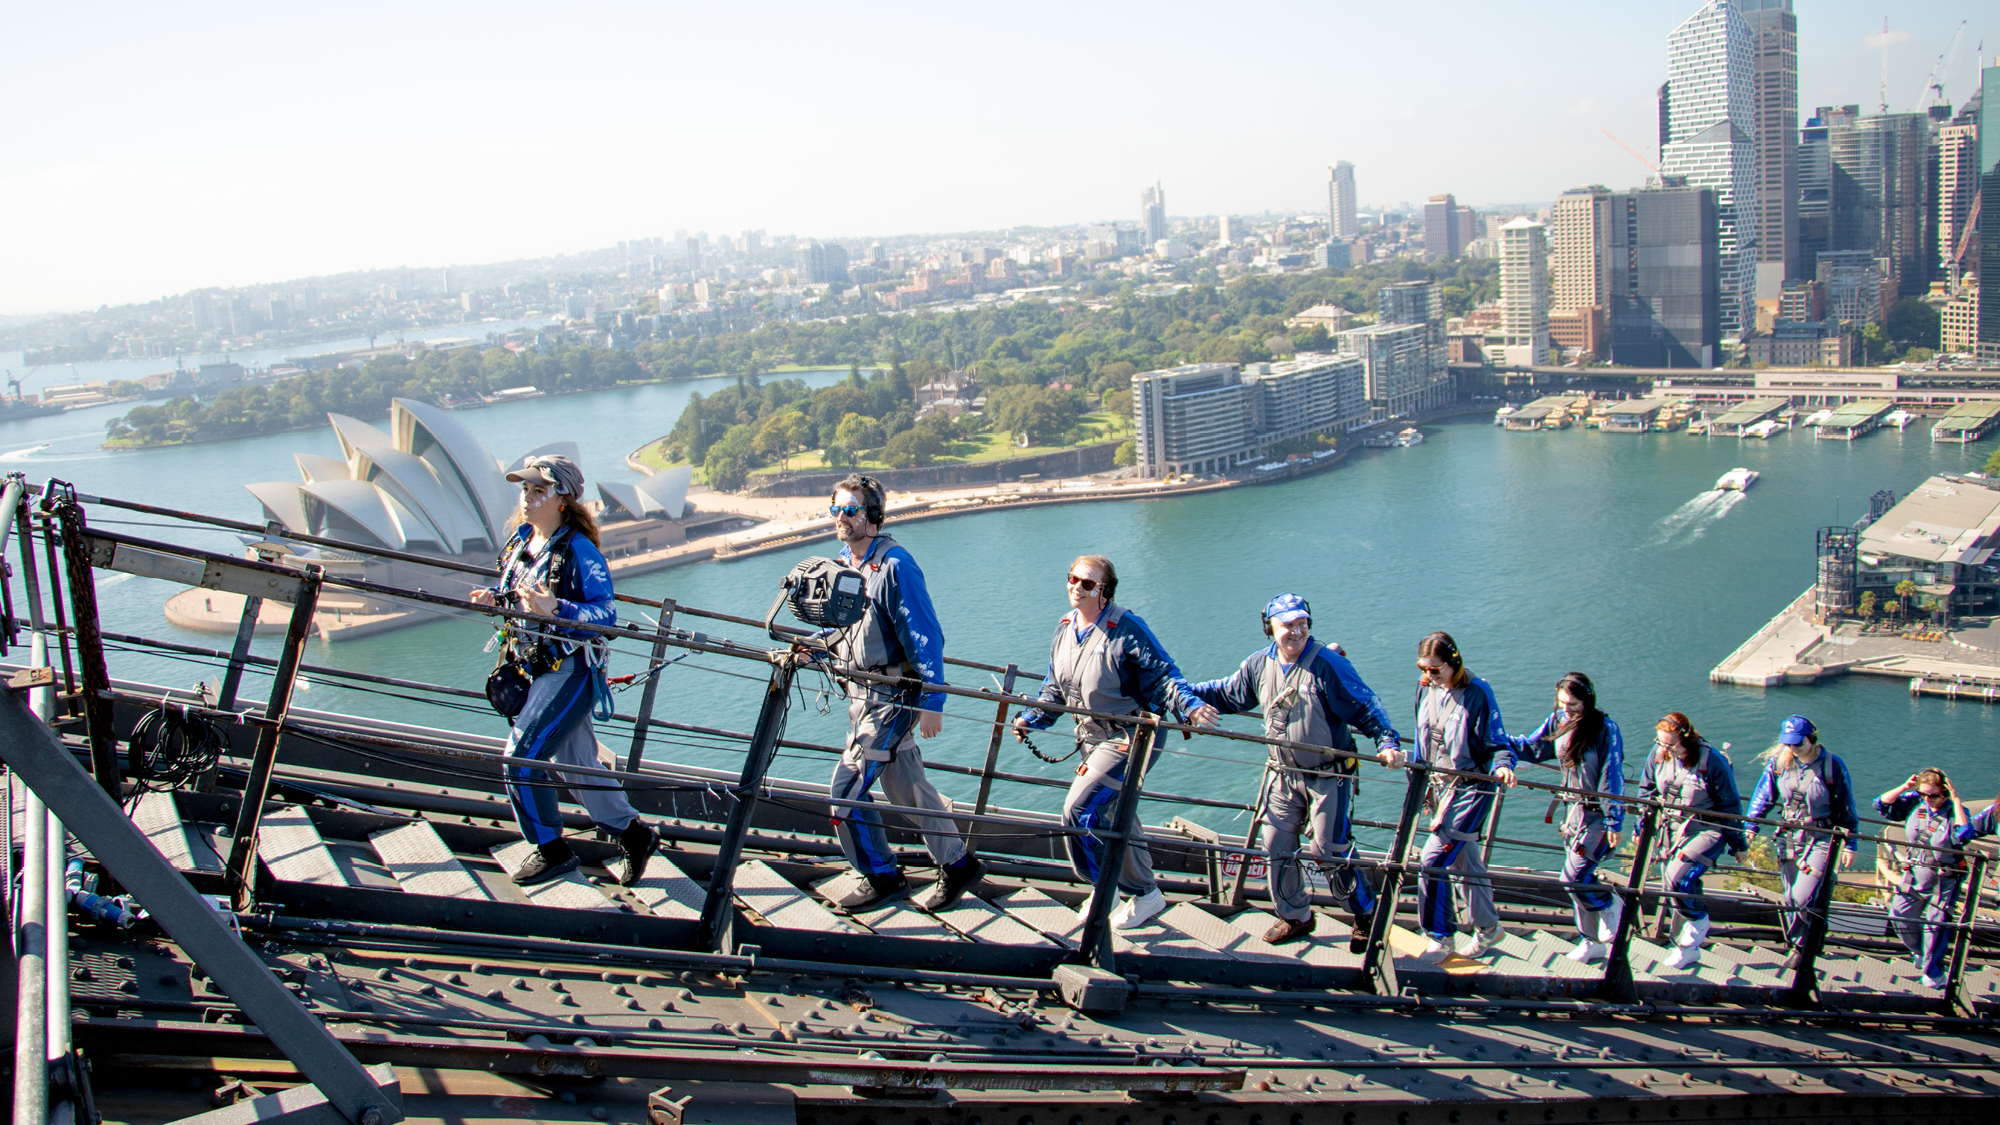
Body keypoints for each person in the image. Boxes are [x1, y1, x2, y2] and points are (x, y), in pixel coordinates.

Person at [473, 454, 657, 887]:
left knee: (520, 760)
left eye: (540, 490)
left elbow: (606, 617)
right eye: (525, 489)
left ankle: (551, 850)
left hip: (569, 672)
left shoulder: (579, 551)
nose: (529, 497)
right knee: (578, 767)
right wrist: (494, 600)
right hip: (535, 667)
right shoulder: (522, 542)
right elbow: (520, 595)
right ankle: (635, 835)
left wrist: (559, 607)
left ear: (562, 500)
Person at [1012, 554, 1218, 931]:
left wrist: (1189, 705)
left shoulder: (1126, 629)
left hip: (1131, 737)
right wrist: (1033, 717)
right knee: (1114, 815)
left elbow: (1164, 674)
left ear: (1104, 592)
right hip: (1091, 738)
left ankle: (1105, 889)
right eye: (1072, 578)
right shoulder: (1065, 627)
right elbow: (1056, 687)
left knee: (1079, 811)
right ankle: (1146, 894)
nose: (1076, 587)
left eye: (1087, 583)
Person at [1186, 593, 1402, 949]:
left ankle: (1365, 914)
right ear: (1269, 628)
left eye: (1302, 622)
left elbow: (1365, 706)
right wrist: (1183, 697)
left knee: (1329, 849)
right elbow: (1229, 694)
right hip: (1283, 774)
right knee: (1276, 845)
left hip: (1329, 775)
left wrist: (1387, 741)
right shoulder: (1260, 664)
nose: (1296, 630)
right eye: (1287, 624)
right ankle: (1296, 916)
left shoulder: (1328, 665)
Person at [813, 474, 983, 913]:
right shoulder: (844, 565)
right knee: (907, 788)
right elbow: (842, 628)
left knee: (845, 790)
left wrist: (933, 703)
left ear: (873, 515)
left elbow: (926, 637)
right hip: (863, 695)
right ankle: (958, 863)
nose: (841, 519)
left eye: (851, 510)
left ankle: (883, 876)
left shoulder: (895, 566)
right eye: (836, 510)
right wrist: (814, 648)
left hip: (894, 701)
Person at [1381, 631, 1515, 962]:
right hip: (1439, 787)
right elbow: (1420, 734)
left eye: (1435, 670)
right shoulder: (1424, 689)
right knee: (1463, 860)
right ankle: (1488, 928)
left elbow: (1498, 742)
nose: (1428, 677)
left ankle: (1440, 935)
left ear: (1453, 663)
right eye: (1423, 669)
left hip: (1471, 789)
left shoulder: (1478, 693)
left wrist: (1503, 766)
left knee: (1432, 860)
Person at [1508, 672, 1625, 964]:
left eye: (1573, 704)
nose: (1567, 709)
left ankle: (1610, 903)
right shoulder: (1559, 721)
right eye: (1562, 703)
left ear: (1587, 700)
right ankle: (1591, 940)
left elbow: (1612, 775)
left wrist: (1614, 819)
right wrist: (1496, 744)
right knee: (1577, 880)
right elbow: (1532, 747)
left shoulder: (1605, 729)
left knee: (1573, 877)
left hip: (1596, 815)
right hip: (1571, 813)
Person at [1745, 714, 1858, 963]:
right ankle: (1800, 946)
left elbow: (1847, 807)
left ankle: (1812, 939)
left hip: (1822, 837)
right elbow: (1763, 796)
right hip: (1788, 836)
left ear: (1812, 739)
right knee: (1789, 897)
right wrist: (1751, 825)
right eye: (1789, 744)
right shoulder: (1779, 763)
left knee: (1803, 896)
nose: (1793, 749)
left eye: (1798, 743)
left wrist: (1850, 842)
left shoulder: (1832, 766)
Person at [1636, 712, 1745, 971]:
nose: (1664, 748)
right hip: (1671, 829)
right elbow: (1647, 789)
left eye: (1670, 744)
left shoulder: (1711, 761)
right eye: (1660, 742)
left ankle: (1698, 919)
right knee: (1671, 886)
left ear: (1686, 738)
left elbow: (1730, 805)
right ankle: (1686, 948)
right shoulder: (1658, 753)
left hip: (1706, 829)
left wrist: (1738, 843)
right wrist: (1641, 824)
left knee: (1679, 877)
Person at [1876, 769, 1971, 990]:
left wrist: (1956, 802)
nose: (1928, 800)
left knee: (1935, 925)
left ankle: (1933, 972)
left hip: (1943, 878)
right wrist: (1905, 788)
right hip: (1914, 873)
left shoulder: (1954, 812)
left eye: (1934, 795)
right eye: (1924, 794)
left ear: (1945, 793)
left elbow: (1964, 835)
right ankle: (1920, 953)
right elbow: (1880, 805)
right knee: (1899, 915)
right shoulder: (1915, 803)